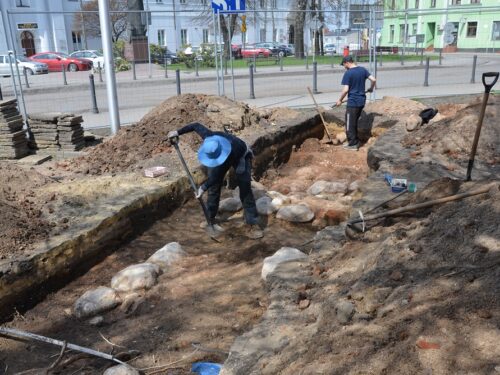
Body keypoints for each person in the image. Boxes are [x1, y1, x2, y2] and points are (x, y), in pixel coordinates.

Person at [168, 122, 263, 239]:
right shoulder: (209, 137)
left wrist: (202, 188)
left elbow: (216, 177)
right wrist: (177, 132)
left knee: (245, 189)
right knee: (214, 188)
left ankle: (252, 223)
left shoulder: (233, 150)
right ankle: (210, 217)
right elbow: (195, 125)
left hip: (241, 156)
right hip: (222, 152)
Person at [335, 55, 377, 150]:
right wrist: (371, 88)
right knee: (353, 122)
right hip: (361, 101)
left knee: (350, 124)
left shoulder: (348, 73)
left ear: (347, 62)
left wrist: (340, 100)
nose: (344, 67)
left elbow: (346, 90)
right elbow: (373, 80)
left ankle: (353, 144)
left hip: (353, 102)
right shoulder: (362, 70)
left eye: (344, 65)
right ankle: (353, 141)